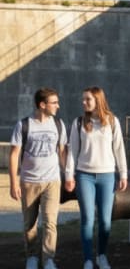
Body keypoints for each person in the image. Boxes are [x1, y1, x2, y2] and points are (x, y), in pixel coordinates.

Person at [64, 87, 128, 269]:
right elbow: (72, 151)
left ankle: (102, 256)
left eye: (88, 100)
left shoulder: (112, 122)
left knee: (106, 221)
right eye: (83, 99)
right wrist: (69, 175)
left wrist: (123, 174)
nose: (83, 102)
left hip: (107, 176)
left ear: (98, 100)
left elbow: (119, 149)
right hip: (84, 176)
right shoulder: (78, 123)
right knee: (87, 219)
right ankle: (88, 260)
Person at [9, 88, 68, 269]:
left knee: (50, 222)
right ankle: (32, 257)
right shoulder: (24, 125)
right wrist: (13, 183)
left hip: (52, 181)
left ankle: (49, 259)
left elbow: (62, 152)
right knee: (30, 223)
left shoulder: (58, 124)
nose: (58, 106)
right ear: (42, 105)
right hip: (29, 182)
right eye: (54, 102)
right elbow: (14, 155)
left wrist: (68, 175)